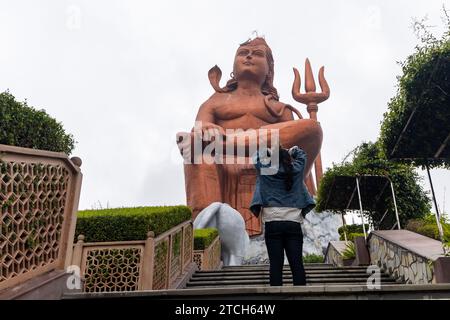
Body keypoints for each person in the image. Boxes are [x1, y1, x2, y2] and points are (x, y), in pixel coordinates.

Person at [176, 37, 323, 236]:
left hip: (269, 166)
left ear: (269, 69)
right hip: (223, 166)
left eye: (257, 53)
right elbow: (198, 133)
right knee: (195, 150)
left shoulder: (279, 109)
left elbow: (294, 152)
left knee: (312, 128)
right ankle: (206, 236)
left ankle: (226, 143)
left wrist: (223, 140)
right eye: (243, 52)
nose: (249, 56)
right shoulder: (215, 102)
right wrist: (204, 130)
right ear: (233, 66)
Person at [250, 145, 315, 286]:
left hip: (272, 223)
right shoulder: (295, 170)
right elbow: (302, 157)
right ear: (287, 158)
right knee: (297, 264)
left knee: (275, 265)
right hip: (293, 223)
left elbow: (255, 158)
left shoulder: (266, 170)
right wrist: (294, 150)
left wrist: (266, 151)